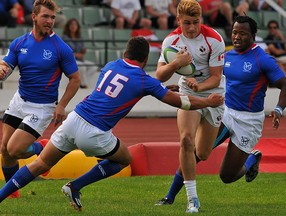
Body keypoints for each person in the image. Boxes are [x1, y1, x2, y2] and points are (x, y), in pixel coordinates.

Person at [0, 36, 224, 210]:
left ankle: (1, 196)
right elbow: (181, 103)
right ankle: (75, 185)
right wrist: (209, 100)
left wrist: (162, 88)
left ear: (125, 53)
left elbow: (132, 84)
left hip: (74, 119)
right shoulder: (144, 80)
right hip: (94, 131)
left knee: (39, 165)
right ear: (146, 60)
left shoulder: (111, 65)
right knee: (124, 159)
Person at [155, 15, 286, 213]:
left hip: (249, 121)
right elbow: (210, 76)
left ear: (253, 35)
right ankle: (170, 196)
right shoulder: (227, 55)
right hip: (226, 112)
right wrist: (183, 86)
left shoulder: (263, 59)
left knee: (227, 176)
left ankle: (251, 159)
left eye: (242, 33)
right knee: (193, 153)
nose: (237, 37)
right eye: (234, 32)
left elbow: (285, 84)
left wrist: (278, 109)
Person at [0, 0, 80, 199]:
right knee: (4, 149)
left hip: (41, 108)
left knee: (15, 149)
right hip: (20, 101)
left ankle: (41, 147)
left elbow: (75, 79)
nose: (50, 21)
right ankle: (13, 194)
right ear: (34, 17)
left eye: (52, 17)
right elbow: (6, 67)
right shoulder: (19, 43)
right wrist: (2, 70)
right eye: (45, 16)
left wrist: (61, 106)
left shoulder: (60, 48)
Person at [154, 0, 226, 213]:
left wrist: (200, 85)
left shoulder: (214, 39)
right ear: (178, 21)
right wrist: (176, 63)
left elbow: (216, 77)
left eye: (196, 22)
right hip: (187, 93)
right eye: (187, 23)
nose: (192, 27)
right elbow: (159, 75)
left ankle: (228, 127)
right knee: (186, 140)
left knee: (202, 153)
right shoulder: (171, 41)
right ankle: (192, 199)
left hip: (214, 95)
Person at [62, 18, 99, 88]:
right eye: (71, 24)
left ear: (77, 27)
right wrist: (76, 55)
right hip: (70, 60)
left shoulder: (80, 37)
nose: (73, 26)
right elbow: (64, 52)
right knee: (82, 67)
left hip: (79, 60)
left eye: (75, 24)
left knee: (94, 66)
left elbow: (82, 50)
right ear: (68, 26)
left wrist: (83, 52)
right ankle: (83, 85)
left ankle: (81, 82)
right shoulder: (64, 38)